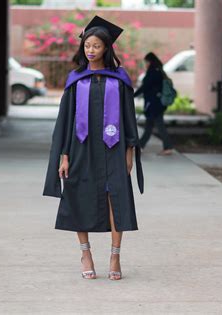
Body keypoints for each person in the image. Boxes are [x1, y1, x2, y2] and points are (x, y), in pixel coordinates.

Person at [43, 15, 144, 281]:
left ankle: (115, 255)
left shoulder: (119, 79)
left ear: (106, 48)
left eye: (96, 46)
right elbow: (64, 121)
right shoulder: (75, 79)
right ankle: (85, 253)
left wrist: (130, 151)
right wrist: (63, 155)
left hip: (113, 147)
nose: (91, 50)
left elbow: (128, 117)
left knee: (117, 199)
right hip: (81, 148)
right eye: (87, 45)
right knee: (79, 195)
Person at [134, 52, 174, 155]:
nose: (145, 64)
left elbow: (145, 87)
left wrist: (133, 95)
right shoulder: (159, 70)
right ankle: (141, 146)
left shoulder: (153, 72)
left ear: (150, 61)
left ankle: (168, 147)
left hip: (153, 104)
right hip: (157, 104)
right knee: (150, 126)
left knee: (157, 126)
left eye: (146, 62)